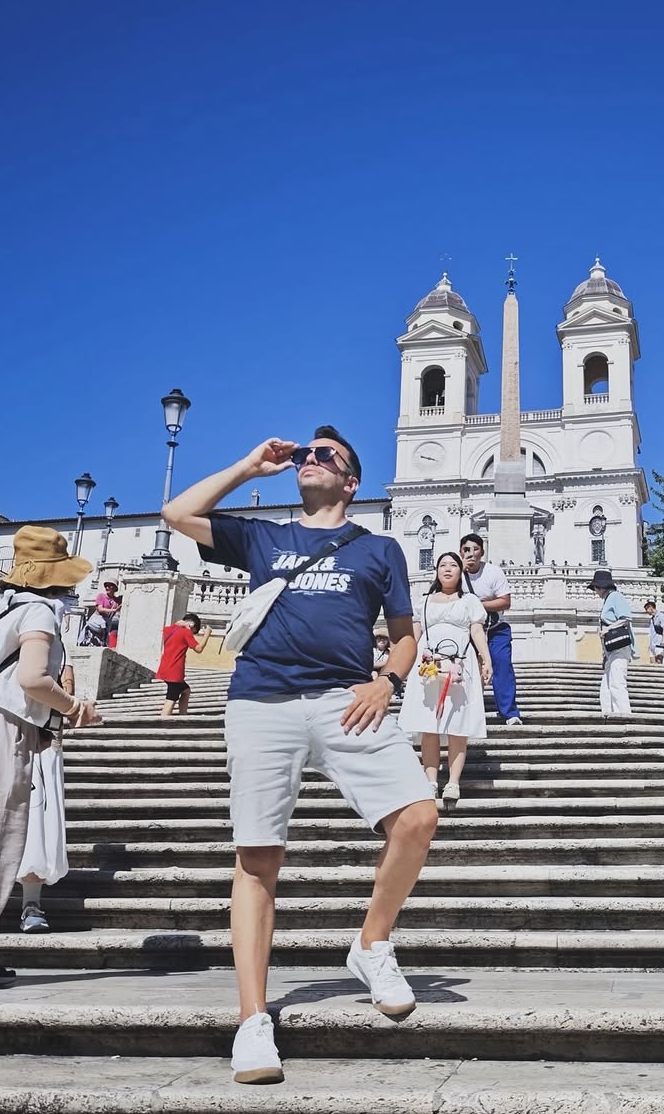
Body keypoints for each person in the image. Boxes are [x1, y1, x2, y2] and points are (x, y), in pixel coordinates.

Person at [163, 428, 438, 1085]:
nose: (310, 460)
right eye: (306, 454)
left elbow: (405, 635)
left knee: (419, 815)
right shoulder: (264, 537)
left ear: (351, 482)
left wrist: (389, 681)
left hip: (349, 699)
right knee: (258, 856)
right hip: (262, 698)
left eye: (326, 456)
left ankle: (372, 942)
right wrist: (248, 464)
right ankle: (253, 1019)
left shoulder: (379, 548)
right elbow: (178, 514)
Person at [0, 527, 102, 993]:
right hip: (0, 727)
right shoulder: (38, 613)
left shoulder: (1, 607)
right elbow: (33, 678)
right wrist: (76, 708)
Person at [399, 552, 493, 801]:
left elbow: (476, 630)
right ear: (437, 571)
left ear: (461, 572)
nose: (448, 569)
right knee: (428, 725)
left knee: (457, 725)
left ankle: (453, 782)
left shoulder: (470, 600)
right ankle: (430, 781)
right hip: (428, 664)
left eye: (453, 565)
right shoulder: (425, 601)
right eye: (443, 565)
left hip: (461, 663)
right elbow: (414, 634)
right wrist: (403, 664)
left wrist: (486, 659)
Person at [16, 647, 78, 933]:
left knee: (38, 823)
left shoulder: (60, 652)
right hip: (4, 740)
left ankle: (31, 904)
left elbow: (65, 686)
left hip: (42, 745)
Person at [460, 534, 522, 726]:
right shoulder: (456, 574)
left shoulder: (493, 572)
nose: (471, 554)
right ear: (461, 552)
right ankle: (466, 711)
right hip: (468, 629)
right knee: (465, 668)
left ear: (482, 552)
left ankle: (510, 713)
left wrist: (477, 604)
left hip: (496, 628)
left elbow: (505, 601)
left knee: (502, 664)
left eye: (475, 549)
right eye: (466, 550)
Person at [590, 568, 637, 716]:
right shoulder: (608, 599)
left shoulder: (616, 596)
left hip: (620, 647)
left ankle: (623, 715)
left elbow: (626, 618)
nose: (595, 591)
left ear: (601, 587)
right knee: (607, 685)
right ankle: (609, 713)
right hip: (611, 650)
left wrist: (607, 629)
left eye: (595, 588)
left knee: (617, 682)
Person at [156, 612, 212, 717]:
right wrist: (207, 634)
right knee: (171, 698)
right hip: (175, 671)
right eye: (194, 631)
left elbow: (172, 626)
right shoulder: (185, 633)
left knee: (186, 690)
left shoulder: (169, 629)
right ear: (192, 626)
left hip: (165, 668)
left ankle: (183, 716)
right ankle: (161, 723)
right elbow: (198, 649)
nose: (193, 634)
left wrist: (179, 624)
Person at [644, 598, 664, 663]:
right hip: (652, 643)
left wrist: (663, 640)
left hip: (659, 642)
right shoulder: (652, 618)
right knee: (652, 661)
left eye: (647, 609)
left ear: (651, 608)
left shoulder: (661, 616)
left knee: (659, 660)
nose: (646, 611)